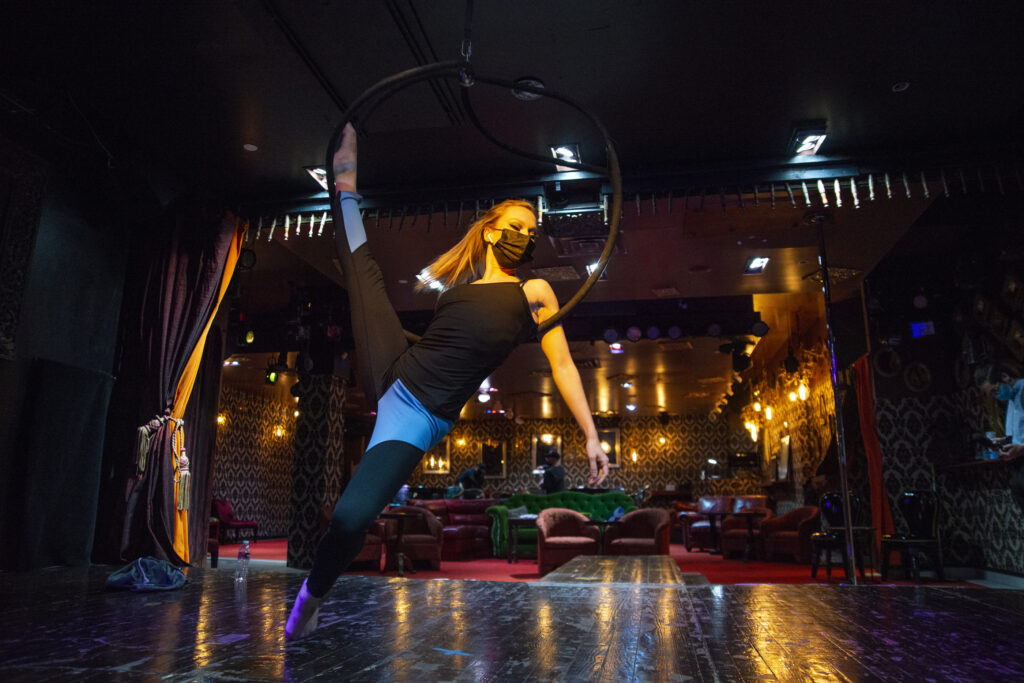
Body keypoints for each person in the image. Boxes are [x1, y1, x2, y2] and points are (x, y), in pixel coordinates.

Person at [285, 124, 609, 640]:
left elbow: (564, 366)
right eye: (516, 224)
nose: (526, 234)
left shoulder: (536, 291)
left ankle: (311, 595)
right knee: (363, 273)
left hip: (418, 414)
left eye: (532, 228)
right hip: (394, 366)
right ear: (490, 231)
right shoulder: (458, 287)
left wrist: (591, 434)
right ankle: (344, 184)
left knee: (349, 519)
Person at [974, 362, 1024, 457]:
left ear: (1005, 377)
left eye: (995, 390)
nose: (995, 396)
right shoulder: (1012, 398)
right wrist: (1003, 441)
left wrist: (1021, 449)